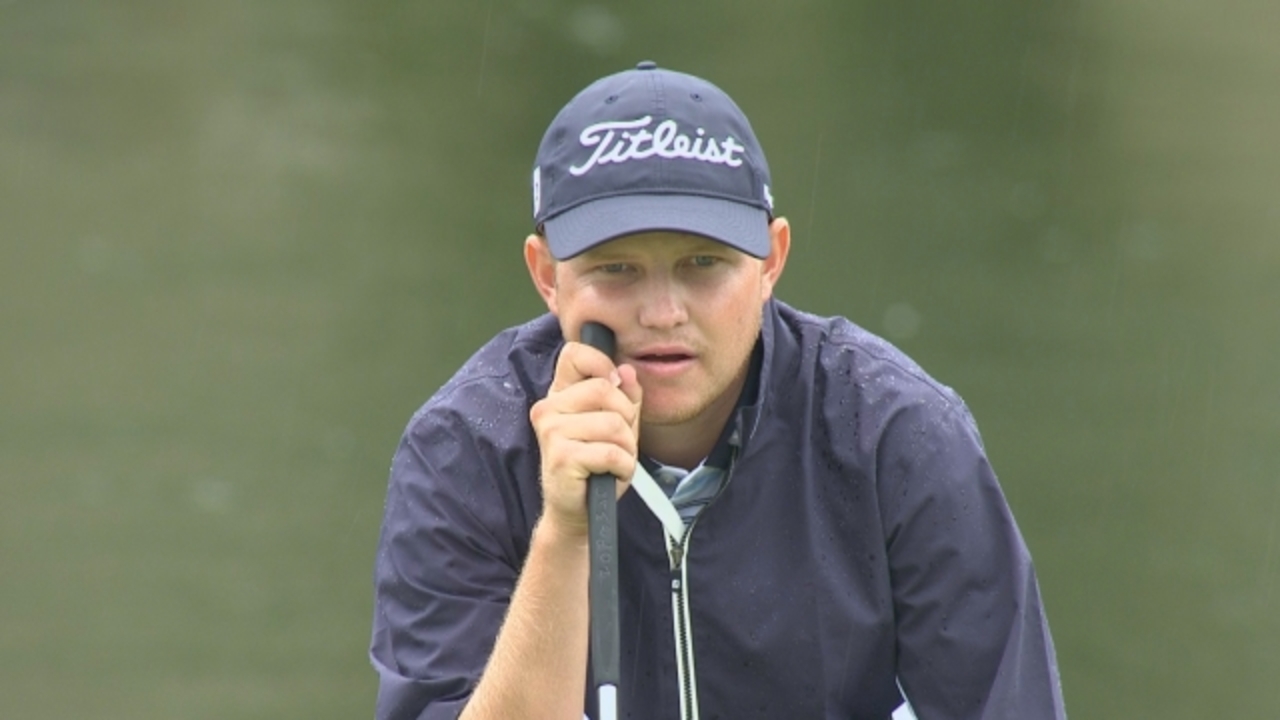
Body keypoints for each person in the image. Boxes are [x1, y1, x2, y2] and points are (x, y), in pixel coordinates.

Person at [369, 61, 1066, 720]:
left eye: (703, 264)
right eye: (616, 269)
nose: (663, 311)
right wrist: (566, 534)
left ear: (772, 261)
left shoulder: (898, 436)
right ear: (547, 276)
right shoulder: (464, 451)